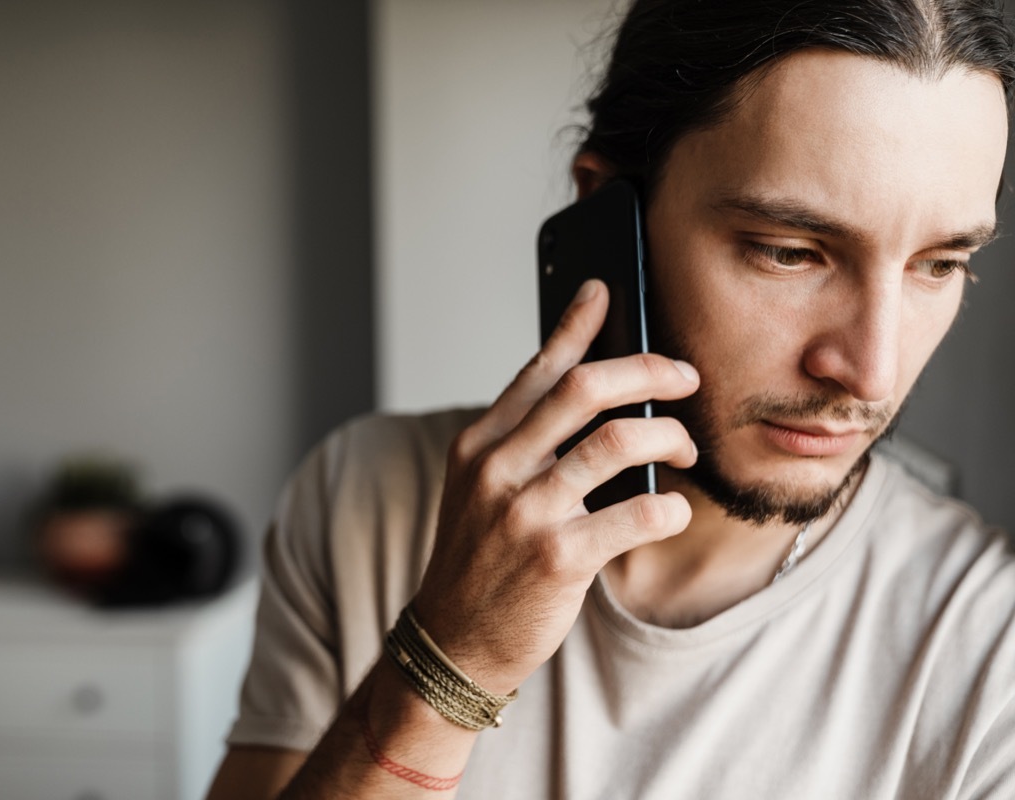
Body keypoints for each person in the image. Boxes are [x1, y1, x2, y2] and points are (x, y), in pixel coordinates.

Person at [209, 0, 1015, 797]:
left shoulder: (989, 646)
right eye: (788, 252)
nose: (871, 374)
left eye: (940, 264)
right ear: (605, 214)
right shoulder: (363, 499)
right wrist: (448, 664)